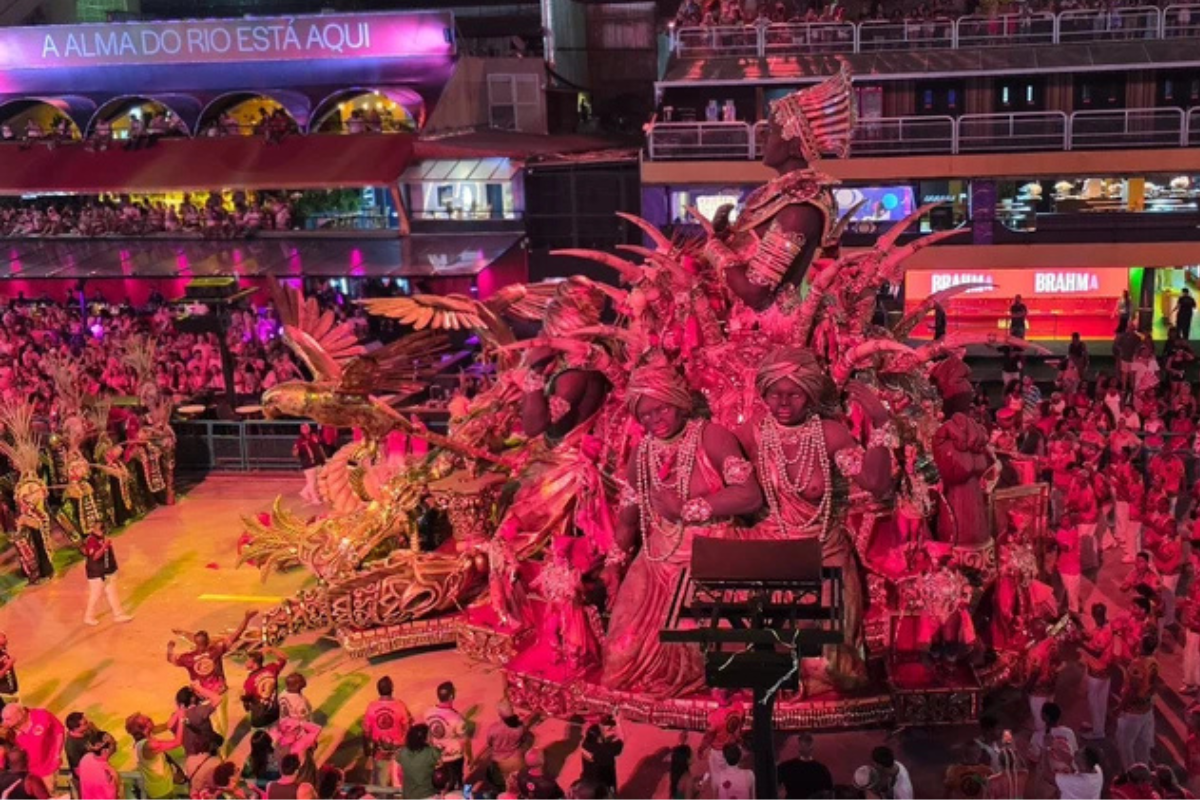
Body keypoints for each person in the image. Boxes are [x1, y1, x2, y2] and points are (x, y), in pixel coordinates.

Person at [604, 359, 762, 698]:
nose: (653, 421)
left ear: (677, 402)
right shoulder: (641, 454)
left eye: (660, 410)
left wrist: (688, 510)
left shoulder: (711, 437)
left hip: (713, 557)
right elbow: (628, 518)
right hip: (659, 560)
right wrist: (614, 563)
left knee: (699, 650)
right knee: (620, 656)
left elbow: (749, 496)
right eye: (644, 415)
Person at [167, 611, 256, 738]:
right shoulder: (216, 650)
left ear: (195, 644)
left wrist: (170, 648)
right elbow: (236, 635)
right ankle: (222, 749)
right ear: (208, 641)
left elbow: (170, 659)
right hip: (220, 692)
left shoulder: (188, 658)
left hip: (201, 696)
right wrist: (246, 618)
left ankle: (213, 744)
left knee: (210, 723)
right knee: (222, 722)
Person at [1116, 634, 1160, 770]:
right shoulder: (1154, 662)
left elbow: (1131, 691)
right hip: (1146, 708)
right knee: (1142, 743)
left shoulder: (1137, 664)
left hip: (1133, 712)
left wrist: (1120, 707)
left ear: (1142, 645)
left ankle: (1131, 774)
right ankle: (1143, 769)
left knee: (1125, 743)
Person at [1, 704, 64, 794]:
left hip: (47, 769)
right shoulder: (8, 733)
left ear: (20, 714)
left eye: (8, 719)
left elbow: (59, 731)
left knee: (48, 794)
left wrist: (57, 754)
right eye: (3, 719)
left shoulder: (42, 715)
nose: (4, 722)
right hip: (26, 776)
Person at [363, 675, 410, 788]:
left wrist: (368, 753)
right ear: (392, 688)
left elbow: (366, 732)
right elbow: (407, 728)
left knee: (381, 788)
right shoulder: (400, 706)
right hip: (398, 752)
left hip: (380, 753)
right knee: (399, 787)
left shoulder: (371, 707)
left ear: (378, 690)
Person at [126, 709, 184, 800]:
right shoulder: (150, 745)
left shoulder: (144, 737)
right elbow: (177, 742)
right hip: (162, 790)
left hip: (154, 788)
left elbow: (167, 725)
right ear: (145, 728)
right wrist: (182, 719)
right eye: (148, 720)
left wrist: (179, 711)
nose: (150, 719)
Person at [81, 526, 133, 625]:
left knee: (112, 592)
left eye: (102, 529)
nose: (102, 531)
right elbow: (95, 556)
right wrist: (105, 546)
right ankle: (88, 616)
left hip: (107, 572)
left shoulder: (102, 538)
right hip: (97, 574)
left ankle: (118, 614)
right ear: (93, 530)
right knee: (96, 595)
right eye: (100, 529)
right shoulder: (91, 541)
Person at [426, 681, 471, 789]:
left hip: (437, 757)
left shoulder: (428, 713)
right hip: (454, 757)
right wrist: (470, 756)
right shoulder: (457, 718)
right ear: (451, 696)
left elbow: (428, 736)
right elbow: (464, 740)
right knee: (458, 782)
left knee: (440, 783)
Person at [1080, 603, 1115, 740]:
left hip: (1098, 671)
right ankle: (1098, 726)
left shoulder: (1105, 631)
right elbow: (1094, 639)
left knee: (1094, 701)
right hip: (1104, 670)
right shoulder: (1105, 626)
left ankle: (1097, 732)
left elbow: (1097, 652)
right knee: (1101, 701)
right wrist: (1085, 637)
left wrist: (1080, 643)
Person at [484, 699, 536, 787]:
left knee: (507, 785)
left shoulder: (493, 729)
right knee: (520, 784)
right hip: (517, 760)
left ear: (500, 714)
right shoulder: (520, 728)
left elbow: (489, 743)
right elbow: (524, 740)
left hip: (500, 762)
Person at [242, 645, 287, 729]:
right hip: (275, 713)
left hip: (259, 719)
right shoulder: (272, 668)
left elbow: (246, 706)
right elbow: (284, 658)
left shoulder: (249, 682)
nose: (245, 662)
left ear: (254, 663)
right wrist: (271, 648)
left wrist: (245, 702)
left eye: (247, 660)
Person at [777, 733, 834, 799]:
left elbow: (829, 793)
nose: (805, 747)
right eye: (803, 744)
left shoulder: (822, 769)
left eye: (806, 744)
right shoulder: (822, 769)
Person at [580, 715, 624, 797]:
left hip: (588, 783)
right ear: (599, 739)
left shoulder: (585, 744)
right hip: (604, 784)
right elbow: (621, 741)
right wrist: (618, 722)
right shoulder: (605, 750)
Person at [397, 723, 441, 800]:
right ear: (424, 738)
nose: (432, 737)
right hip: (427, 795)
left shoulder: (402, 752)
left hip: (408, 796)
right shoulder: (431, 753)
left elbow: (399, 768)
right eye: (430, 735)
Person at [78, 728, 121, 800]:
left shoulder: (85, 758)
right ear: (105, 750)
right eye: (113, 743)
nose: (116, 743)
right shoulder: (110, 773)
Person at [293, 424, 325, 504]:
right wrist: (296, 450)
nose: (305, 429)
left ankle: (304, 492)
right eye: (303, 428)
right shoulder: (299, 441)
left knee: (317, 480)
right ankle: (314, 498)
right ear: (301, 430)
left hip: (318, 462)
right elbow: (295, 453)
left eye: (307, 427)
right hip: (308, 464)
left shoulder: (313, 436)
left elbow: (319, 446)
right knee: (312, 482)